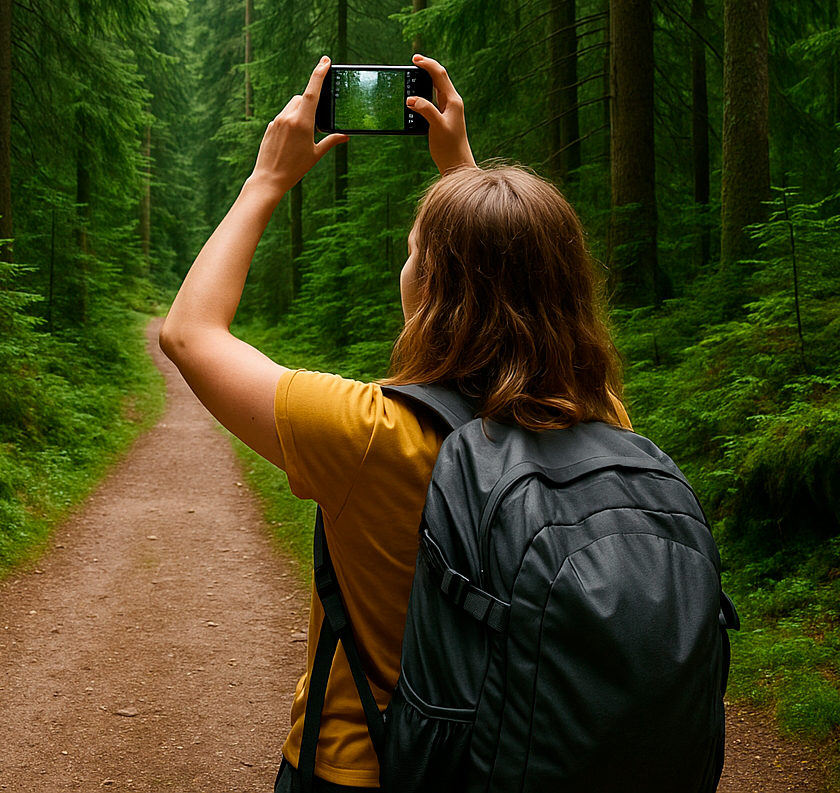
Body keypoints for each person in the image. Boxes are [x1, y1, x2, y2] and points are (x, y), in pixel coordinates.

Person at [158, 55, 628, 792]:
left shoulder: (370, 434)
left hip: (370, 768)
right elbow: (508, 273)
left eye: (415, 255)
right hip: (535, 764)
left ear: (431, 289)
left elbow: (189, 335)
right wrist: (469, 178)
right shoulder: (602, 421)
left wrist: (267, 180)